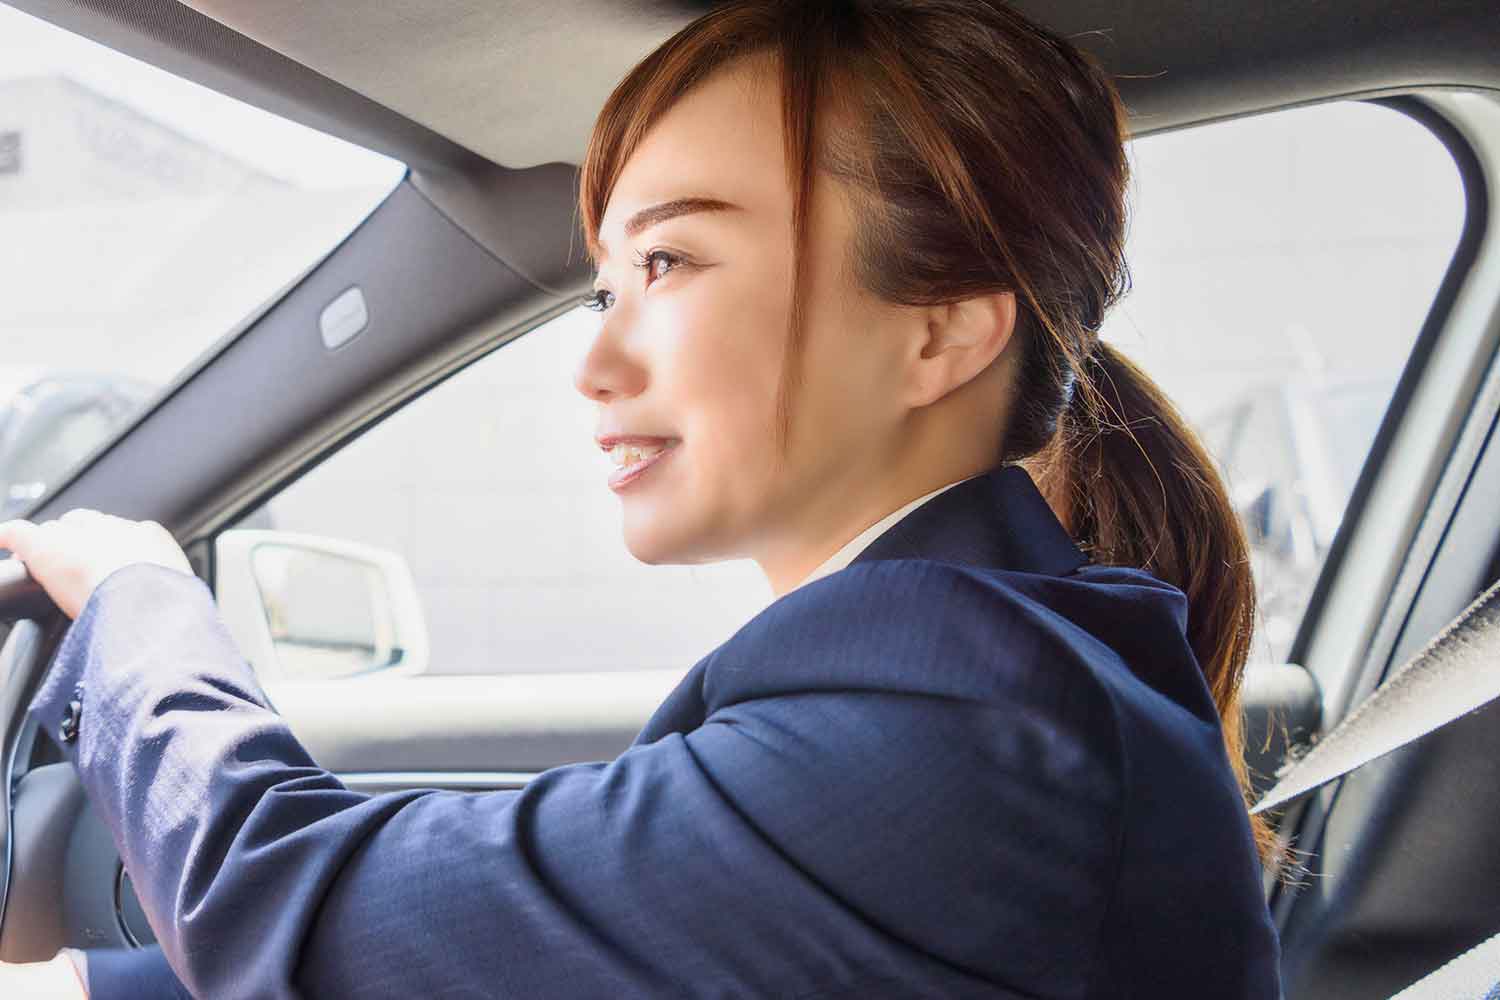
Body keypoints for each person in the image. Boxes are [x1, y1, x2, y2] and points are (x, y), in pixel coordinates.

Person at [0, 1, 1283, 996]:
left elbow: (286, 902)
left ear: (938, 334)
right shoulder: (996, 678)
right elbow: (592, 939)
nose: (594, 360)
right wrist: (76, 980)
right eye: (607, 288)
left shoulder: (960, 726)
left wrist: (137, 596)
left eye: (670, 260)